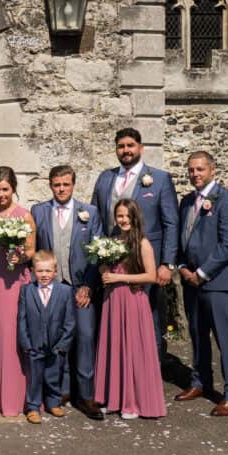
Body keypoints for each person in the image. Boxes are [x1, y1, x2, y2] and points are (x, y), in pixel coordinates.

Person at [91, 128, 179, 362]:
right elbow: (96, 220)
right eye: (121, 146)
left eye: (131, 145)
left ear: (140, 148)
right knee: (116, 317)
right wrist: (99, 259)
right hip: (114, 264)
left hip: (147, 262)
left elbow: (171, 223)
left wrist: (167, 264)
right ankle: (121, 371)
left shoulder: (159, 179)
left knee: (150, 316)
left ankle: (151, 371)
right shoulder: (105, 178)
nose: (126, 150)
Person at [175, 151, 228, 417]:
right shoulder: (186, 202)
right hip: (190, 281)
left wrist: (202, 273)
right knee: (197, 334)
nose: (195, 174)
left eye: (200, 169)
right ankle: (200, 382)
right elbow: (182, 238)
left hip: (218, 282)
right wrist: (182, 266)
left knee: (224, 337)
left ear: (212, 170)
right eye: (191, 170)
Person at [32, 165, 105, 420]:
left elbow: (97, 252)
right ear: (50, 185)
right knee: (55, 339)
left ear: (73, 185)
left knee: (85, 337)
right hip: (52, 288)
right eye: (56, 185)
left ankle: (85, 395)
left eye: (66, 184)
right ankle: (59, 392)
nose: (61, 189)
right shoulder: (39, 211)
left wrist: (88, 285)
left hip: (80, 286)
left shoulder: (90, 212)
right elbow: (35, 250)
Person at [93, 199, 167, 420]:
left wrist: (118, 277)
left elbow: (151, 276)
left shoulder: (143, 243)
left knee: (132, 348)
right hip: (113, 300)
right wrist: (103, 267)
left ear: (135, 218)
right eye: (119, 216)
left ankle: (132, 402)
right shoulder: (112, 240)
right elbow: (105, 267)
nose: (123, 220)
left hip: (133, 300)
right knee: (114, 347)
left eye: (126, 216)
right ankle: (113, 398)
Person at [0, 166, 34, 417]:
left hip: (14, 277)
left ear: (14, 189)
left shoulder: (25, 215)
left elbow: (32, 250)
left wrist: (19, 256)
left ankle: (15, 394)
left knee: (12, 331)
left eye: (6, 189)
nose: (1, 194)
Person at [18, 251, 75, 424]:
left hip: (56, 344)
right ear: (33, 271)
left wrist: (63, 344)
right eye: (40, 271)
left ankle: (53, 402)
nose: (44, 275)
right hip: (34, 344)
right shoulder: (26, 290)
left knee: (53, 375)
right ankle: (33, 407)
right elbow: (21, 320)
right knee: (35, 377)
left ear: (55, 271)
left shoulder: (65, 291)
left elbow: (70, 321)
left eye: (48, 271)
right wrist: (26, 343)